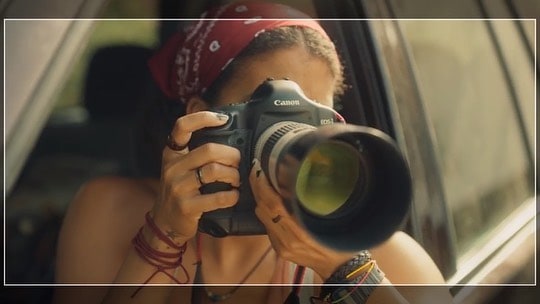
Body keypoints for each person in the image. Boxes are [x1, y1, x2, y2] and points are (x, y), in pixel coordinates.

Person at [54, 2, 454, 304]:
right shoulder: (112, 211)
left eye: (313, 117)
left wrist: (345, 270)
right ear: (200, 117)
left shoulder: (376, 251)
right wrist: (164, 235)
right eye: (267, 110)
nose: (298, 136)